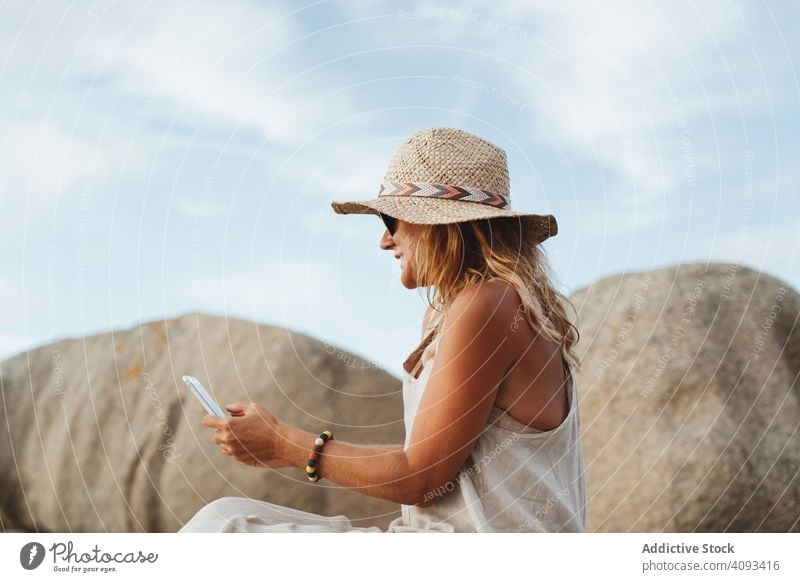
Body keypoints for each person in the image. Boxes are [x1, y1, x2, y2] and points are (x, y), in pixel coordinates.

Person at [178, 126, 586, 533]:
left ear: (441, 224)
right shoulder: (491, 307)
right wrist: (283, 445)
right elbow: (432, 458)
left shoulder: (488, 304)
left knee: (220, 529)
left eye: (390, 220)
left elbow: (421, 477)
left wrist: (285, 443)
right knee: (221, 518)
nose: (384, 241)